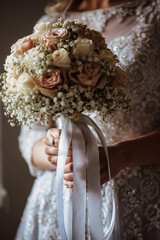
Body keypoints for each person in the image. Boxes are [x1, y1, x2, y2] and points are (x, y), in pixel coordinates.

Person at [15, 0, 160, 239]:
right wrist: (53, 152)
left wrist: (122, 155)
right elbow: (32, 137)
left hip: (140, 201)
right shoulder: (48, 26)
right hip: (58, 202)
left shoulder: (154, 15)